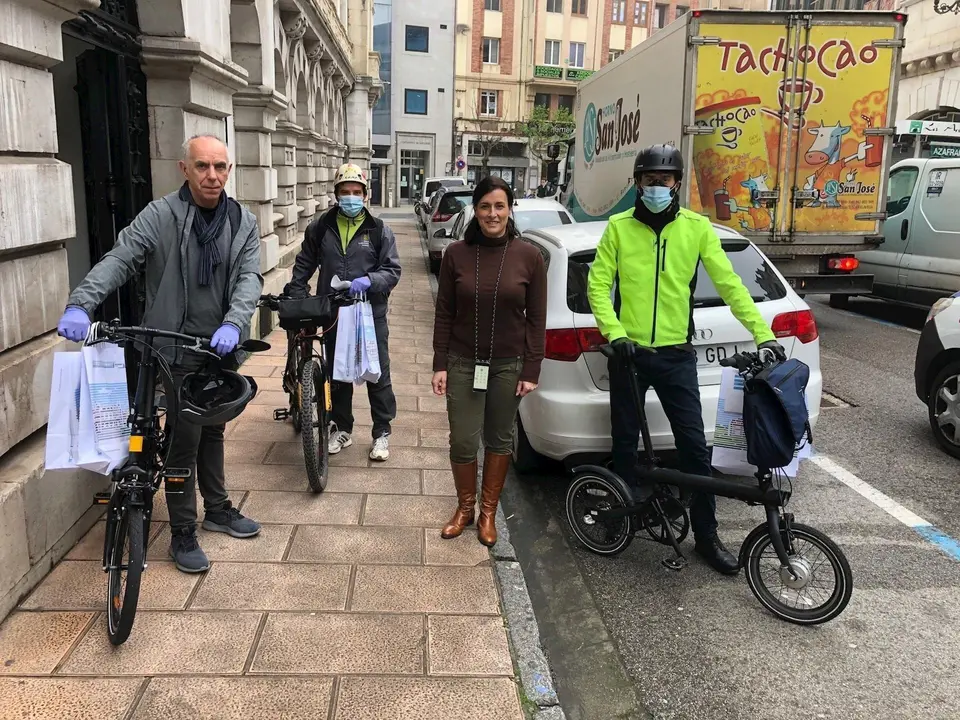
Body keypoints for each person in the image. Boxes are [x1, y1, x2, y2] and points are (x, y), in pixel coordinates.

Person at [57, 134, 264, 574]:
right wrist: (81, 303)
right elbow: (121, 258)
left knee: (213, 429)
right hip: (173, 348)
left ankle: (218, 508)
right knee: (183, 442)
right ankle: (182, 531)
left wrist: (234, 322)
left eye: (220, 166)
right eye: (203, 166)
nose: (212, 176)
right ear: (184, 169)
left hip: (220, 347)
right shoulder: (161, 215)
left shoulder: (242, 220)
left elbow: (249, 277)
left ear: (229, 170)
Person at [587, 144, 786, 575]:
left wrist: (764, 334)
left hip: (676, 355)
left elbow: (731, 285)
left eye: (664, 180)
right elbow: (598, 286)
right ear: (637, 184)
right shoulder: (619, 228)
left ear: (677, 183)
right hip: (629, 354)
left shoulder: (696, 229)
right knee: (624, 442)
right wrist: (615, 334)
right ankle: (623, 518)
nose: (656, 187)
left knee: (695, 448)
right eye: (649, 180)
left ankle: (706, 537)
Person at [431, 176, 547, 546]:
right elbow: (444, 312)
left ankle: (487, 513)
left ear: (510, 209)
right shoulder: (456, 254)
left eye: (499, 206)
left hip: (508, 365)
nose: (492, 214)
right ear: (475, 210)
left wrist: (532, 368)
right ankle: (465, 508)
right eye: (485, 206)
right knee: (463, 441)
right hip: (463, 361)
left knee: (499, 439)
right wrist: (439, 363)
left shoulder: (528, 256)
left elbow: (536, 318)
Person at [284, 163, 402, 461]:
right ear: (336, 194)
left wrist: (370, 280)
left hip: (369, 312)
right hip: (334, 311)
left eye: (356, 192)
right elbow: (304, 263)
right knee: (338, 373)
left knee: (377, 372)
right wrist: (297, 295)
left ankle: (381, 432)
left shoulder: (379, 230)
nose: (351, 197)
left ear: (365, 194)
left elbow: (392, 270)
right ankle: (342, 428)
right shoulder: (320, 227)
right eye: (345, 192)